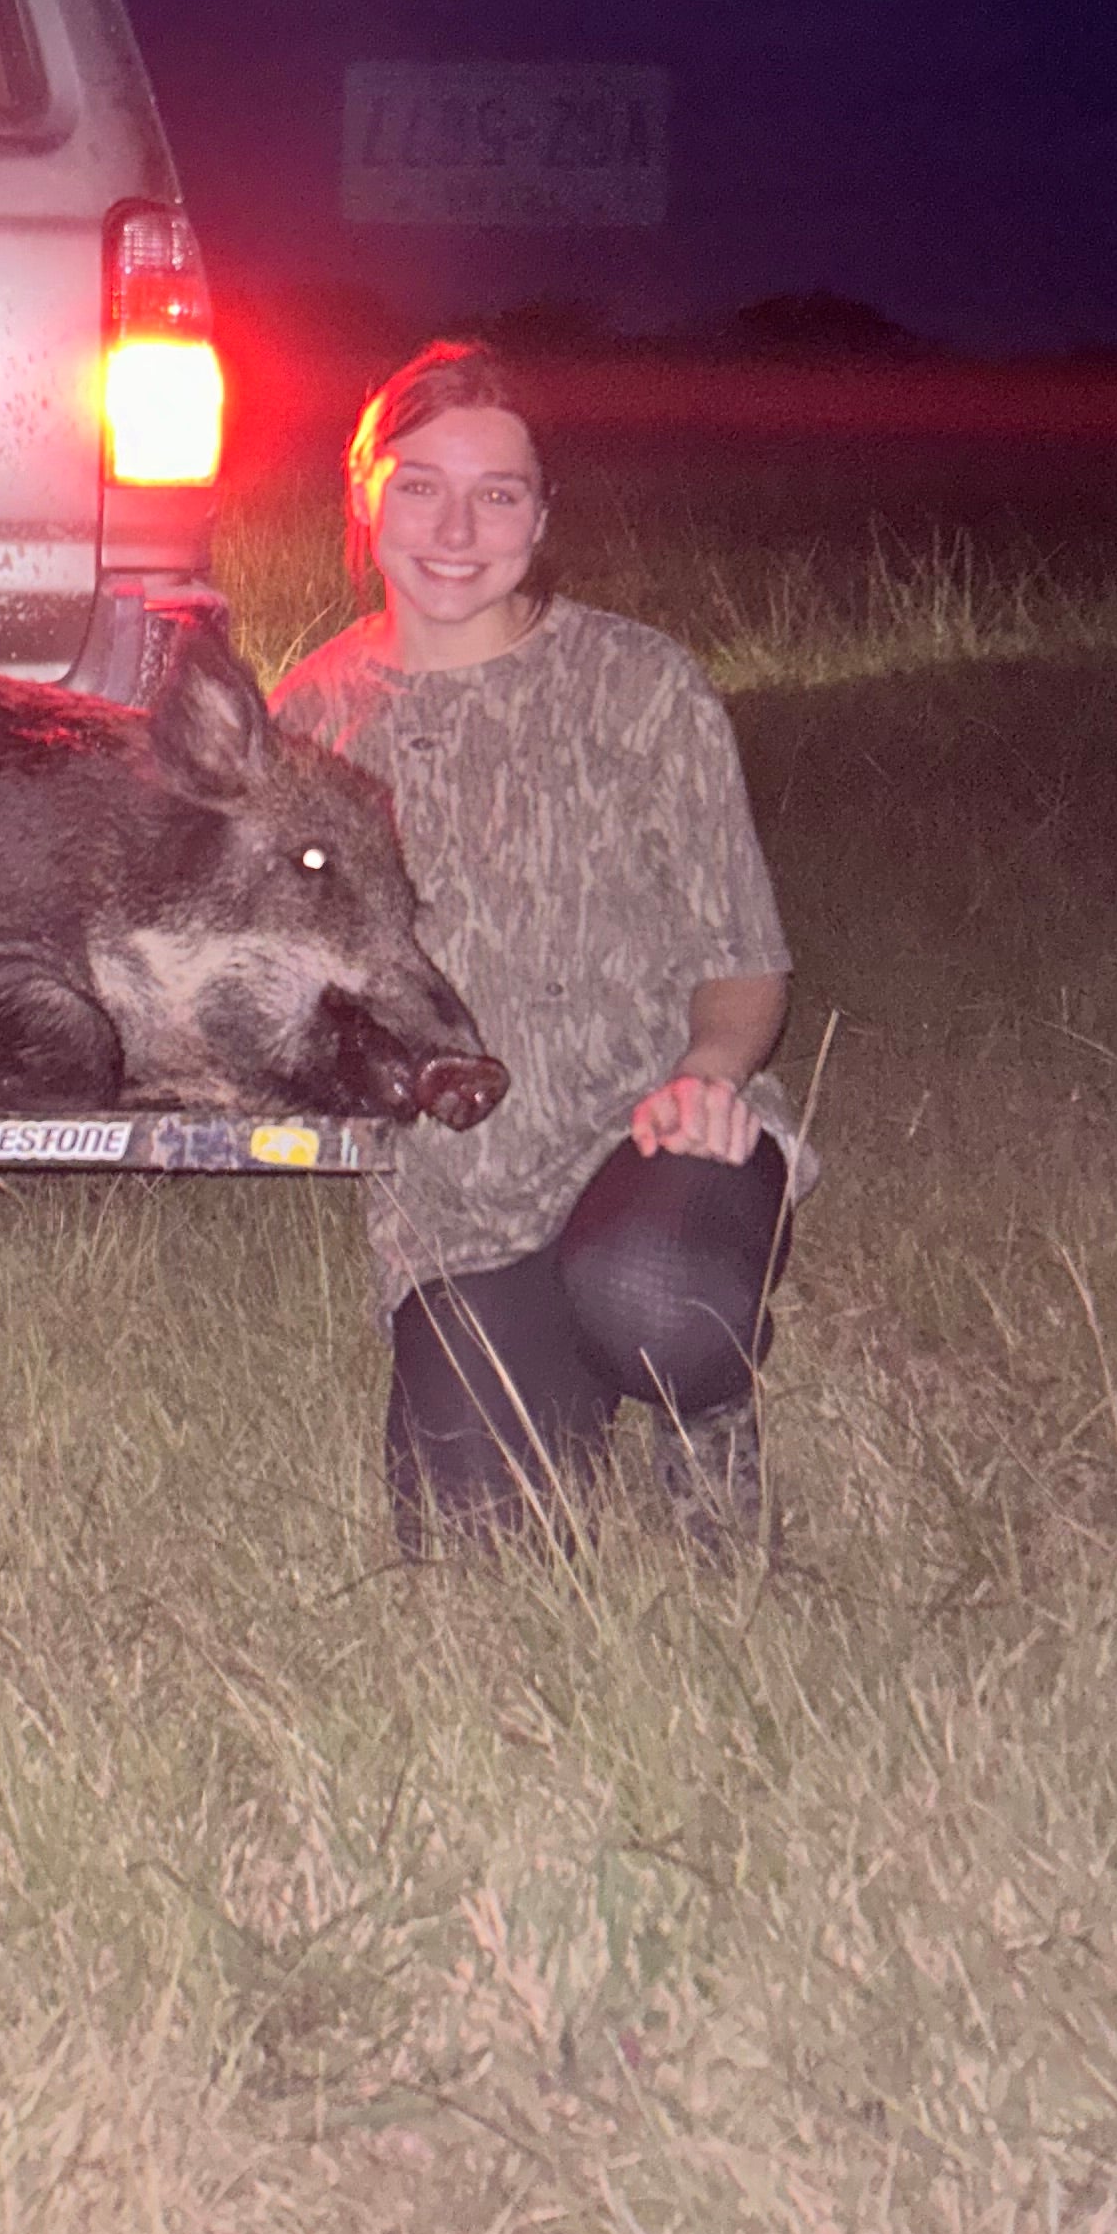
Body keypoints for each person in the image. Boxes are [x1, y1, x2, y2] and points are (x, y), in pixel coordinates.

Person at [269, 340, 811, 1554]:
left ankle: (705, 1405)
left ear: (543, 512)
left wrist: (709, 1076)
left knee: (655, 1299)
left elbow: (743, 953)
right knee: (478, 1542)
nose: (457, 530)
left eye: (499, 493)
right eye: (420, 485)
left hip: (650, 1137)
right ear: (363, 493)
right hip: (453, 1205)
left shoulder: (642, 686)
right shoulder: (304, 726)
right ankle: (554, 1350)